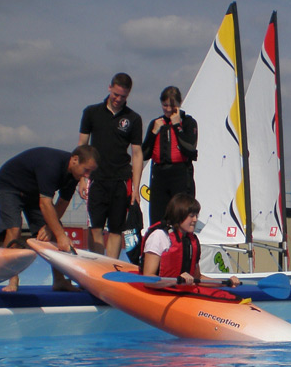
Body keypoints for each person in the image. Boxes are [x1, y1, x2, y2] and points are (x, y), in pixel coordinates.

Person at [0, 145, 99, 291]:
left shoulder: (74, 176)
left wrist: (51, 228)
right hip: (9, 186)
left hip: (32, 192)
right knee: (14, 229)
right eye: (86, 170)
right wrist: (61, 235)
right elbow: (45, 203)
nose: (87, 176)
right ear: (75, 160)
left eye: (91, 172)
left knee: (55, 231)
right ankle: (12, 279)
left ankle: (59, 281)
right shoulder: (51, 165)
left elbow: (62, 203)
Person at [77, 73, 143, 257]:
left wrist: (136, 188)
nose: (118, 99)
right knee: (95, 227)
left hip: (121, 180)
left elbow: (137, 154)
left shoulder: (133, 118)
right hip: (96, 179)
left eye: (123, 96)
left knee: (116, 229)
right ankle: (97, 266)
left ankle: (111, 268)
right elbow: (82, 146)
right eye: (116, 94)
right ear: (109, 88)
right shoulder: (91, 112)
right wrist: (81, 179)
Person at [141, 193, 239, 286]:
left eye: (196, 216)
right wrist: (177, 281)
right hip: (160, 291)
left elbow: (198, 278)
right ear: (179, 215)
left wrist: (226, 283)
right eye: (191, 216)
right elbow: (148, 279)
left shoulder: (191, 241)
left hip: (181, 291)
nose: (195, 219)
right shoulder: (159, 236)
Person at [141, 85, 198, 226]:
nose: (168, 109)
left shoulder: (188, 122)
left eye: (172, 106)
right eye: (165, 105)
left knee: (181, 217)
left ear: (179, 103)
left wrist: (177, 126)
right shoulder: (156, 123)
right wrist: (153, 132)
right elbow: (144, 154)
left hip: (180, 174)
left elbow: (190, 149)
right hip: (159, 176)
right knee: (157, 221)